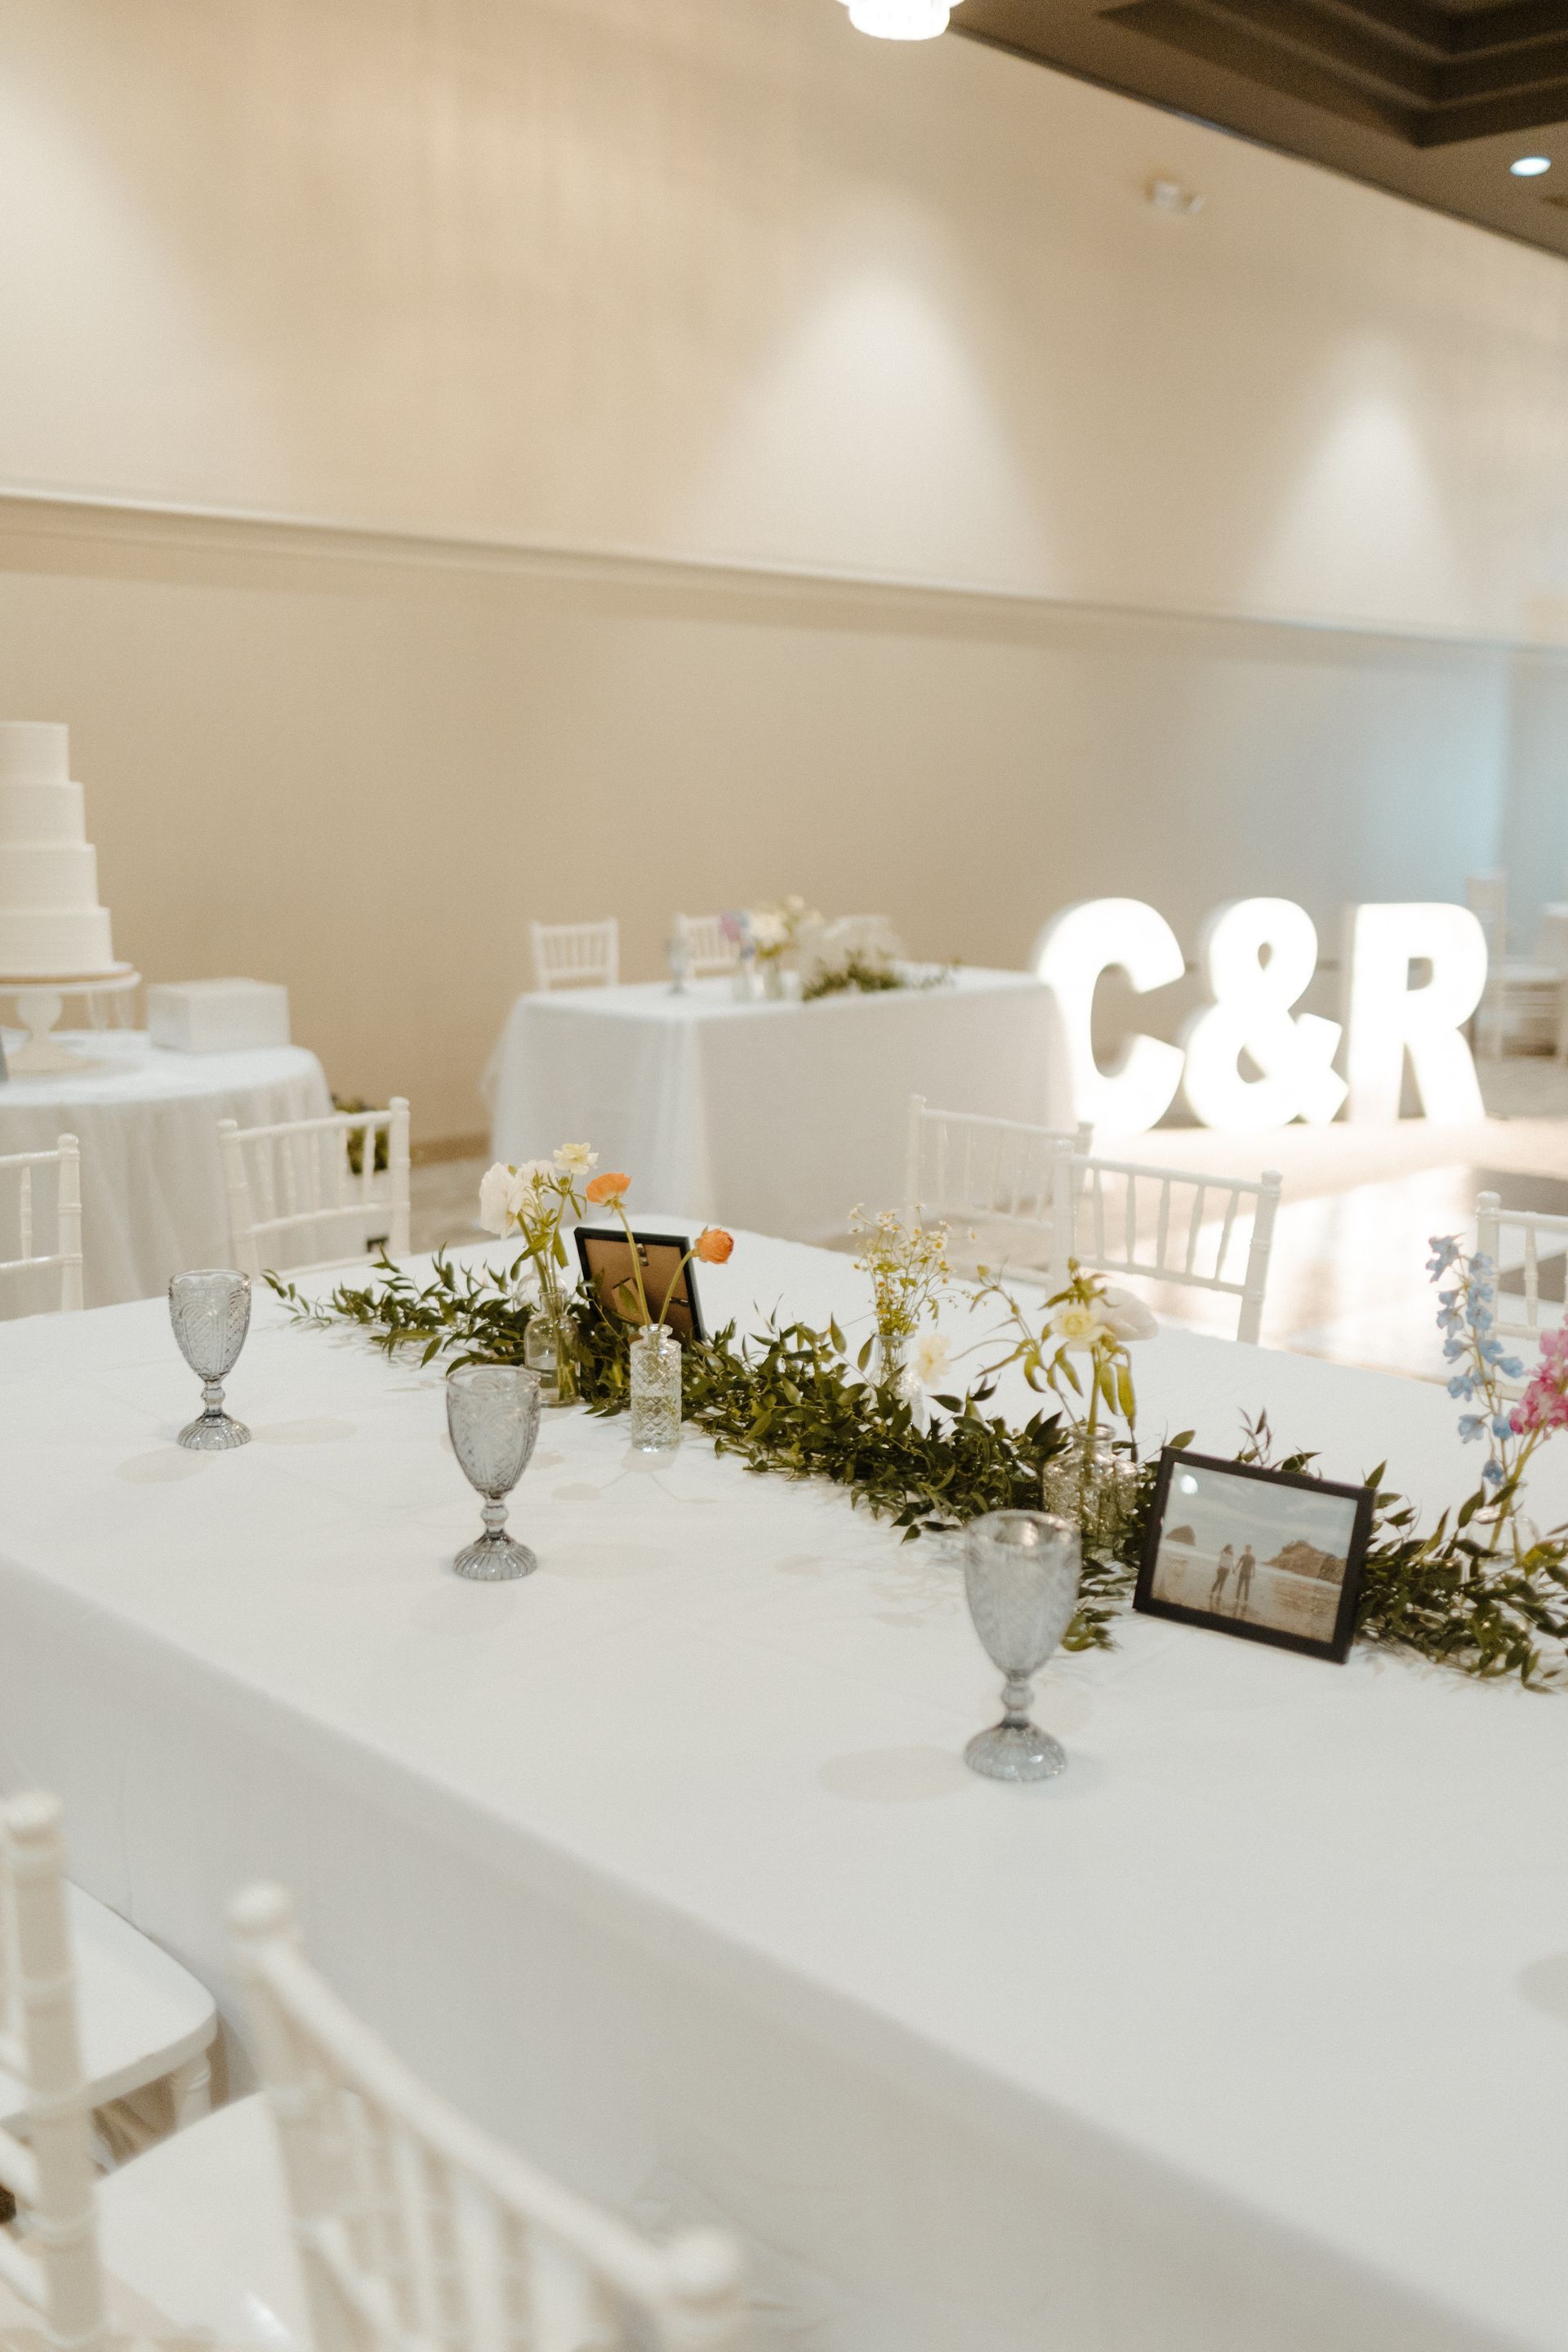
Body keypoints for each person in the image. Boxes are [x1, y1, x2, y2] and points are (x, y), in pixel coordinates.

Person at [1209, 1542, 1234, 1609]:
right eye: (1230, 1548)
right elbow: (1221, 1560)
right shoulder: (1223, 1552)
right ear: (1228, 1547)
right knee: (1218, 1581)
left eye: (1232, 1548)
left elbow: (1231, 1562)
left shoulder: (1232, 1553)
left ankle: (1219, 1594)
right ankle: (1212, 1592)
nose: (1231, 1549)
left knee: (1223, 1582)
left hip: (1227, 1570)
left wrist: (1233, 1569)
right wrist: (1219, 1568)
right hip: (1222, 1568)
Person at [1236, 1544, 1256, 1615]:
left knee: (1246, 1588)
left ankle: (1245, 1601)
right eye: (1246, 1548)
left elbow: (1253, 1566)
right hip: (1243, 1573)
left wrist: (1254, 1573)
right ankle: (1237, 1599)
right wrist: (1235, 1569)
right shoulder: (1243, 1556)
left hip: (1248, 1574)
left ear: (1250, 1549)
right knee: (1240, 1586)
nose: (1247, 1549)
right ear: (1246, 1549)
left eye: (1248, 1548)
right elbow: (1239, 1563)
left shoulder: (1252, 1557)